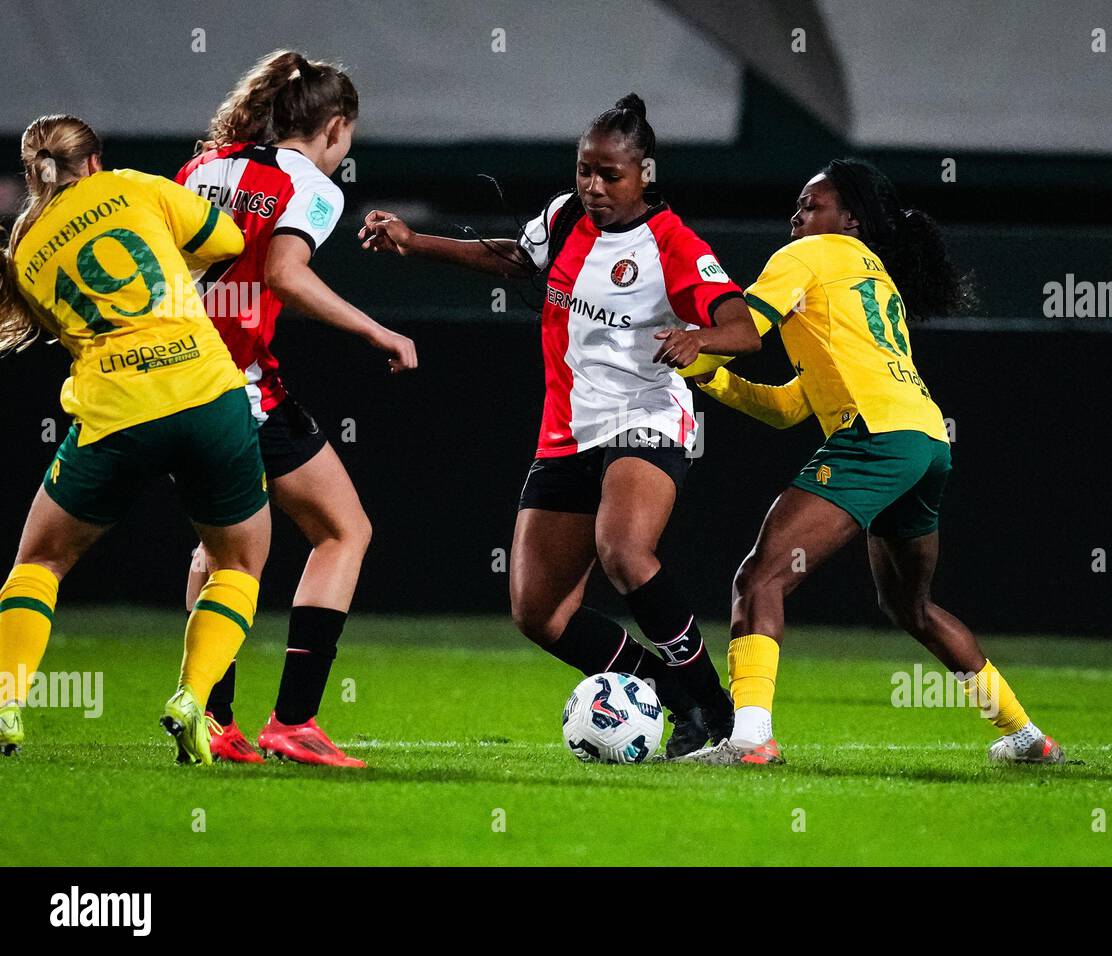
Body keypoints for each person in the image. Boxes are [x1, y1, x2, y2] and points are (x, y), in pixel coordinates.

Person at [358, 94, 759, 755]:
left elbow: (744, 328)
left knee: (623, 550)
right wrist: (414, 240)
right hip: (570, 427)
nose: (594, 187)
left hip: (647, 415)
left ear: (645, 174)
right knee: (539, 613)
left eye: (610, 175)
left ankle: (720, 715)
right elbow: (517, 259)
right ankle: (673, 693)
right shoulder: (566, 215)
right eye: (584, 171)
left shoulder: (674, 245)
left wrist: (698, 336)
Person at [674, 159, 1064, 766]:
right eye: (799, 206)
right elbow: (787, 408)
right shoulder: (874, 275)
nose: (797, 216)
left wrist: (694, 343)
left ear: (848, 219)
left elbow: (745, 328)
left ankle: (750, 740)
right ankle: (1024, 736)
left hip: (876, 438)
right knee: (912, 607)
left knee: (760, 579)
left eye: (812, 205)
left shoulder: (803, 257)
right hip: (925, 441)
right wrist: (715, 380)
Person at [0, 114, 269, 765]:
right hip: (207, 392)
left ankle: (7, 703)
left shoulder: (26, 252)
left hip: (118, 409)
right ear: (92, 161)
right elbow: (228, 238)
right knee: (237, 564)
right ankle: (190, 700)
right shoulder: (132, 186)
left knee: (38, 563)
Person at [175, 50, 418, 767]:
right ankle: (294, 720)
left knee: (216, 550)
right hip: (241, 386)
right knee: (343, 531)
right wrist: (377, 328)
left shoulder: (202, 168)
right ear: (335, 128)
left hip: (174, 380)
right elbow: (285, 273)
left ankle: (211, 717)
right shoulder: (309, 183)